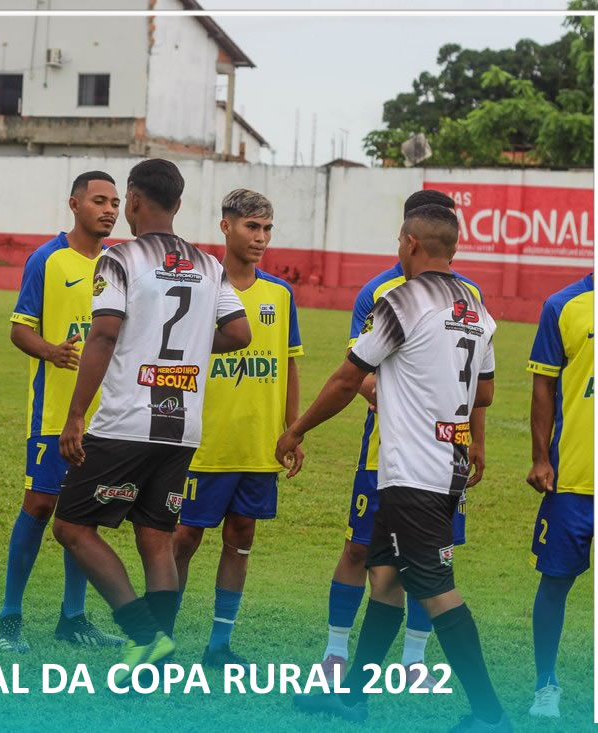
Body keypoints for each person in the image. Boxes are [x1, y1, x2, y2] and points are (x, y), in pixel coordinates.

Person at [281, 204, 507, 733]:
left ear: (410, 243)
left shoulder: (402, 300)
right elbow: (486, 393)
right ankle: (352, 698)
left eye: (399, 241)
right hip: (443, 464)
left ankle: (490, 715)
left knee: (436, 587)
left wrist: (296, 430)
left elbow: (346, 379)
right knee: (384, 577)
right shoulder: (476, 308)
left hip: (415, 473)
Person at [52, 158, 251, 683]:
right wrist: (190, 346)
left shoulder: (120, 258)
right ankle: (153, 661)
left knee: (71, 525)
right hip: (182, 426)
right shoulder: (209, 265)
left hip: (127, 420)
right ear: (178, 204)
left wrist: (76, 415)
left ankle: (144, 634)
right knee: (156, 537)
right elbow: (239, 333)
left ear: (135, 200)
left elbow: (103, 335)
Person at [320, 189, 486, 683]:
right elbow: (360, 371)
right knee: (371, 557)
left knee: (427, 571)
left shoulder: (468, 296)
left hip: (424, 461)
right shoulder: (379, 292)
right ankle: (341, 665)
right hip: (387, 452)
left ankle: (416, 662)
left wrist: (477, 441)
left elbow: (474, 386)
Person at [173, 188, 303, 667]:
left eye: (267, 228)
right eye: (252, 227)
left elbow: (289, 363)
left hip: (258, 444)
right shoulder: (200, 286)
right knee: (183, 539)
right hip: (203, 441)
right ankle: (159, 637)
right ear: (226, 227)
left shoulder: (280, 294)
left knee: (241, 537)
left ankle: (219, 644)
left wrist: (293, 429)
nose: (261, 237)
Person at [0, 171, 124, 653]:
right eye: (99, 201)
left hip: (106, 416)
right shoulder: (47, 259)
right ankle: (10, 617)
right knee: (39, 505)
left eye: (115, 202)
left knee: (84, 516)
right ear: (74, 204)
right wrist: (52, 351)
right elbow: (19, 329)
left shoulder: (118, 265)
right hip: (54, 412)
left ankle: (73, 618)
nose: (109, 210)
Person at [524, 205, 598, 718]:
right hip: (574, 480)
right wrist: (540, 457)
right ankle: (545, 685)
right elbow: (543, 386)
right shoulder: (565, 305)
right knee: (555, 583)